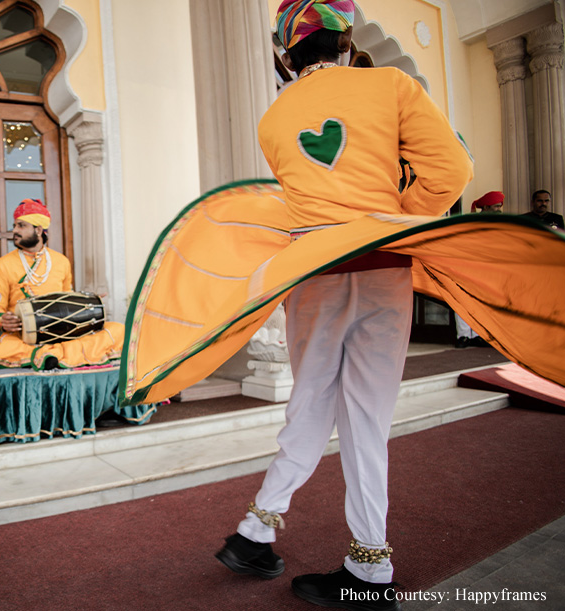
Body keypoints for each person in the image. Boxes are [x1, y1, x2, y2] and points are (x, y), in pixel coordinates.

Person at [213, 2, 472, 610]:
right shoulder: (391, 83)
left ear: (286, 52)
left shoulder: (274, 117)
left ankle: (256, 531)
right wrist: (395, 221)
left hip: (315, 273)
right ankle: (368, 566)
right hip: (382, 271)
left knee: (309, 402)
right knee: (365, 419)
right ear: (347, 39)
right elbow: (451, 169)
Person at [0, 198, 124, 370]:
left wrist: (88, 300)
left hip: (62, 334)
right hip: (23, 337)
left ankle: (51, 354)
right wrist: (1, 320)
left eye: (21, 226)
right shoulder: (3, 264)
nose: (14, 230)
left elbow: (67, 299)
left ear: (38, 229)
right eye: (15, 226)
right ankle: (58, 355)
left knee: (117, 329)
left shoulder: (61, 261)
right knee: (4, 345)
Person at [455, 191, 503, 348]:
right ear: (487, 207)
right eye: (496, 206)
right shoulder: (471, 222)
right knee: (463, 301)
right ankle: (463, 335)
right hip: (468, 266)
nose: (499, 209)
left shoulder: (499, 224)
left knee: (481, 302)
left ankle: (477, 334)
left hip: (488, 268)